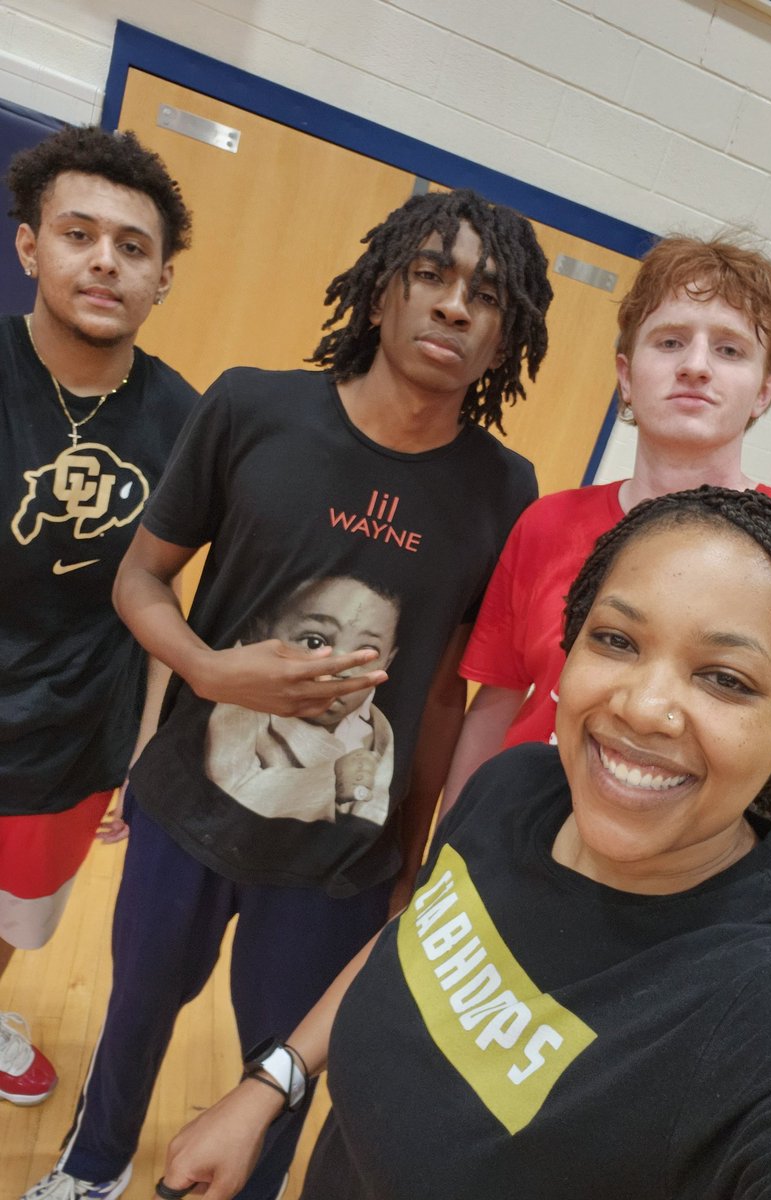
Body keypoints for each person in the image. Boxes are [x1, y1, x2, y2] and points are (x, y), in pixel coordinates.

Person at [21, 188, 553, 1200]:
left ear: (504, 336)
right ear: (382, 291)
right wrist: (212, 671)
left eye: (484, 295)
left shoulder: (503, 489)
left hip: (343, 848)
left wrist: (418, 853)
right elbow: (140, 581)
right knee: (137, 1005)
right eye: (431, 275)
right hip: (190, 806)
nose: (452, 306)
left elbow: (447, 691)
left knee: (283, 1061)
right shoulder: (253, 407)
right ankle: (92, 1167)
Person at [159, 486, 771, 1200]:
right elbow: (415, 939)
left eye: (727, 679)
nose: (645, 707)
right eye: (616, 640)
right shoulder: (516, 788)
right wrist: (272, 1084)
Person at [442, 236, 771, 825]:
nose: (696, 364)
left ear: (765, 391)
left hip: (682, 884)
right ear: (626, 377)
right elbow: (498, 703)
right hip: (518, 839)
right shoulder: (547, 522)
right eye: (670, 341)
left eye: (730, 350)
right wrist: (447, 848)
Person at [0, 126, 196, 1106]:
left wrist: (147, 745)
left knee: (12, 917)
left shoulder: (187, 421)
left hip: (73, 737)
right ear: (31, 246)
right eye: (79, 234)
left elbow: (165, 593)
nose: (105, 261)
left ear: (161, 277)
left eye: (133, 245)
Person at [205, 575, 400, 824]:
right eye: (314, 642)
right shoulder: (245, 698)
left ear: (388, 661)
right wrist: (331, 778)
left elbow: (373, 809)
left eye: (366, 655)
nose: (341, 667)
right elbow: (230, 785)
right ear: (263, 630)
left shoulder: (378, 730)